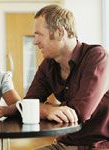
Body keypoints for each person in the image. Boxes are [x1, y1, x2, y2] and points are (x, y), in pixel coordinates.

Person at [25, 4, 109, 149]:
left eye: (39, 34)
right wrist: (48, 110)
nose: (35, 41)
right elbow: (28, 104)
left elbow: (79, 113)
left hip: (97, 146)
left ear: (59, 32)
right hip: (65, 143)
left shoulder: (97, 57)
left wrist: (42, 108)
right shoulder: (48, 64)